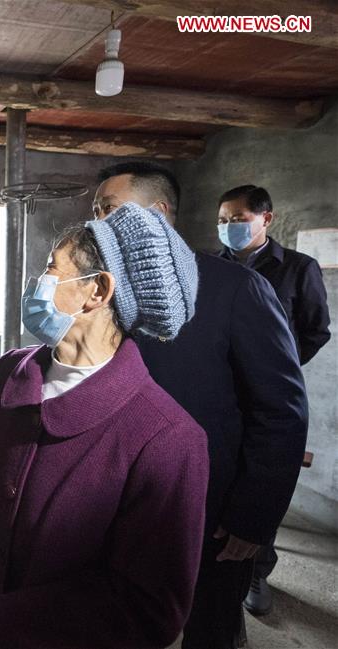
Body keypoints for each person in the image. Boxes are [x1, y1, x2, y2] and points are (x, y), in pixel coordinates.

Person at [0, 203, 209, 649]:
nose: (37, 282)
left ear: (97, 291)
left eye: (50, 267)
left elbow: (149, 608)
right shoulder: (8, 373)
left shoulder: (168, 438)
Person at [92, 162, 308, 649]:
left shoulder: (235, 288)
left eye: (109, 209)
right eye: (96, 210)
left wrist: (253, 517)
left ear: (158, 212)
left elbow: (280, 411)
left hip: (209, 502)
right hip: (121, 496)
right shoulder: (105, 290)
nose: (98, 222)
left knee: (210, 624)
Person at [217, 184, 330, 615]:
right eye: (223, 220)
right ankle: (212, 563)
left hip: (269, 397)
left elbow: (316, 329)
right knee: (221, 477)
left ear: (266, 219)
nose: (229, 227)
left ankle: (258, 571)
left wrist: (276, 370)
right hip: (221, 391)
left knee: (263, 481)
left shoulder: (298, 268)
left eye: (238, 219)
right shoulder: (211, 266)